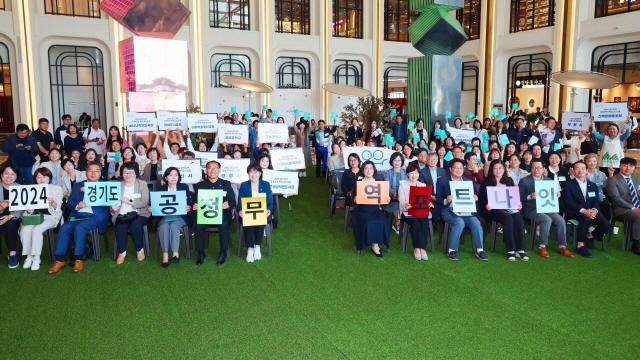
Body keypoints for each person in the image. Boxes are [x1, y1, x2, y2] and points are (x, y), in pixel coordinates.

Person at [48, 162, 110, 274]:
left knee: (80, 227)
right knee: (65, 227)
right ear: (86, 173)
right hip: (78, 215)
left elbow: (111, 202)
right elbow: (69, 203)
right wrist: (77, 205)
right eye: (90, 170)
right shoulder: (78, 185)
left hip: (95, 215)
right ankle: (59, 259)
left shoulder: (105, 185)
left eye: (96, 170)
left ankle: (79, 259)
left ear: (100, 173)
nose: (93, 173)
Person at [436, 159, 488, 261]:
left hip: (466, 210)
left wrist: (475, 197)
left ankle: (480, 250)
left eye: (461, 168)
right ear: (451, 169)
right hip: (449, 210)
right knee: (459, 222)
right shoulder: (442, 181)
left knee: (476, 222)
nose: (459, 170)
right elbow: (438, 199)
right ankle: (452, 250)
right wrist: (446, 200)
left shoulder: (468, 181)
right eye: (456, 168)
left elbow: (475, 195)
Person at [479, 160, 528, 261]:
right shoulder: (486, 181)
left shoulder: (508, 180)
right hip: (491, 209)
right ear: (491, 170)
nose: (498, 170)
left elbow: (513, 196)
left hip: (507, 207)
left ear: (504, 169)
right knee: (507, 217)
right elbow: (482, 198)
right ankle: (510, 250)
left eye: (500, 168)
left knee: (518, 216)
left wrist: (518, 203)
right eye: (495, 168)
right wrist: (486, 204)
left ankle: (520, 250)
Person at [193, 160, 236, 266]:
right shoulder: (199, 185)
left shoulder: (226, 184)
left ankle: (223, 252)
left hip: (222, 215)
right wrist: (195, 205)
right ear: (205, 170)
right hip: (205, 215)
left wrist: (228, 204)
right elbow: (194, 201)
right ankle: (200, 252)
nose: (213, 170)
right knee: (198, 225)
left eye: (215, 168)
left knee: (223, 224)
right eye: (210, 168)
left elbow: (233, 201)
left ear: (219, 170)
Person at [20, 167, 64, 270]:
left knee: (37, 229)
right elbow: (26, 207)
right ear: (35, 179)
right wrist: (28, 210)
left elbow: (58, 209)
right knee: (24, 230)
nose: (42, 179)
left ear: (49, 178)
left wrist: (53, 202)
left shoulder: (56, 188)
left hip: (50, 216)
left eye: (45, 176)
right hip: (33, 216)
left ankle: (36, 258)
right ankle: (29, 256)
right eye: (39, 177)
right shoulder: (31, 189)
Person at [566, 161, 611, 257]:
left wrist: (594, 210)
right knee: (586, 218)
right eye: (577, 168)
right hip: (575, 211)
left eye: (582, 168)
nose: (580, 170)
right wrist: (584, 211)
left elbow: (596, 201)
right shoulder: (568, 185)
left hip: (591, 211)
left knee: (606, 224)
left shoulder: (592, 185)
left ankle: (589, 236)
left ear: (586, 171)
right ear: (573, 171)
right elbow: (569, 202)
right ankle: (580, 244)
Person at [110, 162, 150, 264]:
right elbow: (112, 203)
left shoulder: (142, 184)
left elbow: (145, 201)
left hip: (139, 213)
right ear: (122, 174)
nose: (128, 175)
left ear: (135, 173)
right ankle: (122, 252)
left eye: (131, 172)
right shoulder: (117, 186)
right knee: (120, 226)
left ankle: (139, 250)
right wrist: (112, 208)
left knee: (135, 225)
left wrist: (129, 201)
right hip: (122, 213)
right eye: (125, 172)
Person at [351, 161, 391, 256]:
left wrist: (387, 200)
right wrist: (355, 199)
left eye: (371, 168)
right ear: (363, 170)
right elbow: (353, 199)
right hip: (361, 210)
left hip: (376, 209)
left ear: (374, 170)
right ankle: (365, 243)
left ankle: (375, 244)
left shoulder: (379, 183)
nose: (369, 170)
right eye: (366, 168)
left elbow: (383, 201)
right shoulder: (359, 183)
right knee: (368, 221)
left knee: (381, 221)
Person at [156, 167, 193, 267]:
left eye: (176, 175)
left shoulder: (183, 187)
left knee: (174, 226)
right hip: (165, 216)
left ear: (179, 177)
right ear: (166, 177)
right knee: (164, 226)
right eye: (171, 175)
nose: (173, 177)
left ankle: (175, 253)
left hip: (181, 216)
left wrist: (189, 206)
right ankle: (165, 255)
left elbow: (190, 201)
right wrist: (151, 208)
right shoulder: (161, 189)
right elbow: (153, 204)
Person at [237, 164, 273, 263]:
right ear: (248, 174)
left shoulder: (265, 184)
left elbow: (270, 201)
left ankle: (257, 246)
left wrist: (269, 209)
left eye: (256, 172)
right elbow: (240, 201)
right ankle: (250, 248)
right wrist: (240, 210)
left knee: (260, 220)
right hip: (247, 212)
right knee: (248, 220)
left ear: (260, 173)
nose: (254, 174)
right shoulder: (244, 185)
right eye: (251, 172)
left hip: (262, 212)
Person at [606, 157, 640, 255]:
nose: (628, 168)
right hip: (622, 209)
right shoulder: (612, 180)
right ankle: (636, 242)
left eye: (631, 166)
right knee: (638, 216)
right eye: (625, 165)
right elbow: (616, 199)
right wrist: (633, 208)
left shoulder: (637, 178)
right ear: (620, 166)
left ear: (634, 168)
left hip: (637, 206)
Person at [398, 162, 432, 260]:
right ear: (408, 174)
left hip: (421, 212)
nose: (414, 175)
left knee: (424, 221)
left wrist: (429, 204)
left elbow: (426, 200)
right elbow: (401, 202)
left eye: (416, 173)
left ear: (419, 174)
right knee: (416, 222)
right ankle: (417, 248)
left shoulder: (423, 185)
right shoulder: (403, 185)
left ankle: (423, 248)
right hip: (408, 212)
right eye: (411, 173)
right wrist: (406, 205)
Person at [0, 165, 25, 268]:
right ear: (1, 175)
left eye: (12, 174)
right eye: (6, 173)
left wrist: (9, 216)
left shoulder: (19, 188)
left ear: (16, 177)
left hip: (14, 218)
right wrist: (1, 207)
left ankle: (12, 254)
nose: (9, 176)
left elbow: (22, 208)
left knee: (9, 223)